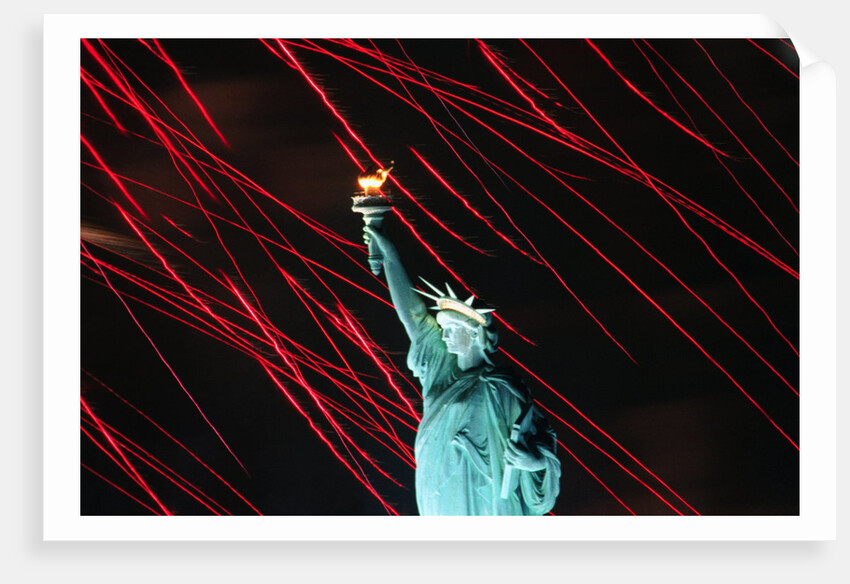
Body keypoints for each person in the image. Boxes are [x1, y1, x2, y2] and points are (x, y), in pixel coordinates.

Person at [364, 224, 560, 516]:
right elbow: (413, 316)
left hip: (489, 494)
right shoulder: (441, 373)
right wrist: (391, 256)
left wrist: (536, 463)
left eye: (451, 328)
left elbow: (539, 437)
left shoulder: (503, 386)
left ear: (476, 334)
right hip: (439, 484)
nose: (443, 336)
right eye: (443, 328)